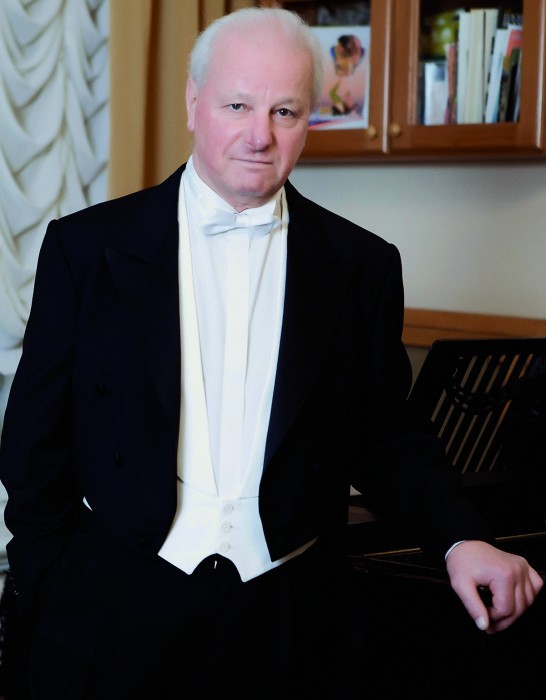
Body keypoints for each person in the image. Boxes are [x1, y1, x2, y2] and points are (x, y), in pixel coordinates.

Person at [0, 7, 542, 700]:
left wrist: (462, 538)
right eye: (238, 106)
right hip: (113, 612)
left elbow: (387, 435)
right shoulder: (84, 248)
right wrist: (49, 580)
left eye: (285, 111)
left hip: (293, 618)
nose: (260, 135)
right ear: (193, 103)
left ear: (309, 119)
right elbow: (33, 443)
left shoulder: (362, 265)